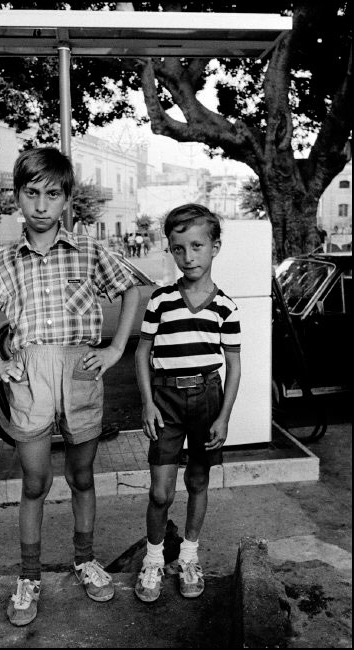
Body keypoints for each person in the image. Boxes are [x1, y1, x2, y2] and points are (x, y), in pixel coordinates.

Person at [0, 147, 140, 626]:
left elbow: (131, 289)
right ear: (18, 198)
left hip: (81, 372)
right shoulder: (3, 263)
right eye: (31, 194)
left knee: (82, 477)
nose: (42, 205)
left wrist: (114, 350)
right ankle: (28, 577)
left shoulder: (89, 251)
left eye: (52, 194)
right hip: (30, 376)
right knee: (36, 481)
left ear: (66, 200)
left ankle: (85, 559)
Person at [134, 203, 241, 603]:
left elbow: (233, 366)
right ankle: (154, 558)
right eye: (178, 248)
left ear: (215, 247)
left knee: (197, 481)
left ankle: (190, 556)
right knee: (161, 492)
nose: (188, 256)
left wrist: (224, 417)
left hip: (207, 399)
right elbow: (141, 354)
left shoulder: (225, 307)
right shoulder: (161, 300)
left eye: (197, 246)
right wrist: (147, 404)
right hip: (166, 401)